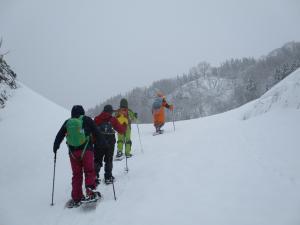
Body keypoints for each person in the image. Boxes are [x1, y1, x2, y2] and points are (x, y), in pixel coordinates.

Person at [53, 105, 102, 208]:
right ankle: (90, 192)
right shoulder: (86, 119)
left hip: (72, 153)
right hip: (86, 151)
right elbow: (97, 132)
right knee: (89, 171)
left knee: (76, 174)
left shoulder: (68, 122)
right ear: (82, 112)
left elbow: (59, 135)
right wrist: (104, 144)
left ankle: (77, 197)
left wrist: (55, 146)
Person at [94, 104, 126, 185]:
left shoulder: (97, 118)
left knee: (97, 160)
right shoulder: (113, 119)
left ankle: (94, 177)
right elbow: (121, 130)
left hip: (99, 142)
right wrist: (124, 126)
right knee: (108, 160)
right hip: (110, 143)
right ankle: (108, 177)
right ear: (110, 111)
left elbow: (92, 131)